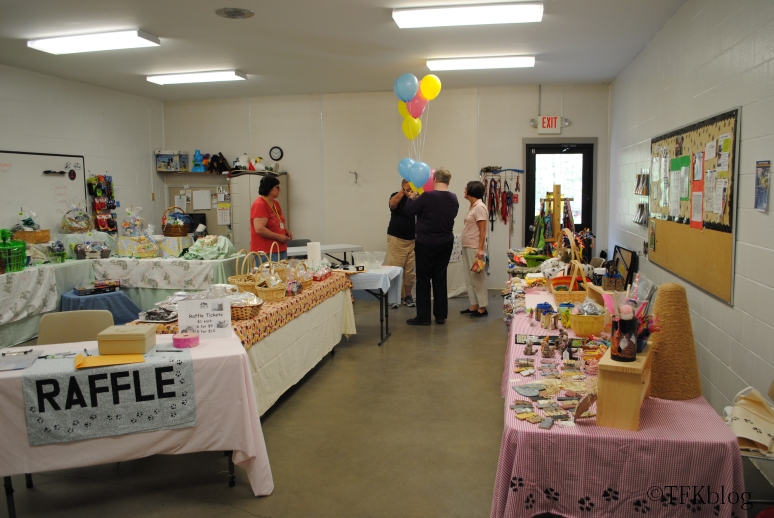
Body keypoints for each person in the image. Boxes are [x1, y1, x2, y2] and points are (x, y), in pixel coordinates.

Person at [404, 168, 459, 326]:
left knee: (423, 279)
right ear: (448, 181)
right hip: (446, 241)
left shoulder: (427, 196)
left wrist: (412, 198)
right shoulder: (453, 198)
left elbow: (410, 211)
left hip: (426, 242)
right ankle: (440, 316)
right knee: (440, 277)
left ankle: (424, 317)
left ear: (434, 179)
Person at [385, 179, 416, 309]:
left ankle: (408, 296)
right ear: (404, 184)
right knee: (394, 268)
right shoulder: (396, 195)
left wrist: (414, 196)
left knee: (410, 271)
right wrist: (404, 190)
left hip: (413, 239)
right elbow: (392, 204)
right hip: (397, 238)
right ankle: (392, 298)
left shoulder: (415, 198)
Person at [460, 181, 489, 317]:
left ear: (471, 191)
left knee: (477, 278)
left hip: (475, 248)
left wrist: (480, 249)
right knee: (469, 278)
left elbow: (482, 230)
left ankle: (482, 307)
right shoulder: (473, 206)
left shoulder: (480, 207)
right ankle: (474, 305)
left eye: (466, 188)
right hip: (468, 246)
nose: (464, 190)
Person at [250, 175, 292, 261]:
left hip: (280, 248)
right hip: (266, 251)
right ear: (269, 188)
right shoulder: (260, 204)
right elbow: (259, 229)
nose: (280, 190)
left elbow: (277, 222)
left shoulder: (275, 203)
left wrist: (285, 231)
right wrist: (279, 236)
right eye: (277, 187)